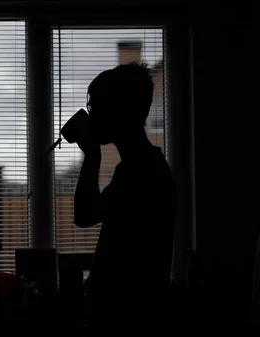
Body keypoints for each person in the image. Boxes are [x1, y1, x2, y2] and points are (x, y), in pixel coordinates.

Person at [72, 62, 176, 335]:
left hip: (127, 319)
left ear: (116, 110)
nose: (90, 115)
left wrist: (91, 154)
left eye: (94, 106)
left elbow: (84, 216)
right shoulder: (138, 166)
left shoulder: (140, 171)